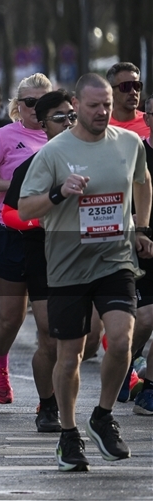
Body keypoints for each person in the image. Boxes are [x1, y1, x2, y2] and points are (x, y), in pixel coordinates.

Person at [18, 73, 151, 472]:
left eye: (107, 104)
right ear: (77, 104)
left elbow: (143, 183)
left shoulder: (129, 143)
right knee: (70, 355)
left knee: (121, 339)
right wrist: (60, 192)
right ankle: (69, 433)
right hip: (67, 267)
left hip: (115, 260)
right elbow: (26, 209)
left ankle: (103, 415)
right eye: (94, 105)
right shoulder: (54, 153)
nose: (102, 112)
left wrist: (141, 228)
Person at [1, 90, 77, 432]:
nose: (68, 122)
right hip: (43, 254)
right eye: (59, 117)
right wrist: (39, 220)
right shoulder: (33, 165)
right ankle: (48, 406)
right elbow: (8, 213)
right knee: (49, 334)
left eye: (71, 115)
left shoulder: (96, 156)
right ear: (43, 124)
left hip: (87, 255)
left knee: (78, 342)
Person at [0, 73, 53, 407]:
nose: (37, 109)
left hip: (50, 236)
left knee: (49, 325)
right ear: (18, 106)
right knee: (11, 317)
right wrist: (13, 189)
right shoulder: (3, 136)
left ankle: (49, 397)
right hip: (9, 233)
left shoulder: (65, 137)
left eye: (45, 102)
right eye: (30, 103)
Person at [132, 93, 153, 416]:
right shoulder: (137, 151)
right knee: (147, 317)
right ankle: (123, 362)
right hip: (142, 243)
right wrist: (139, 230)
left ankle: (149, 386)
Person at [106, 62, 148, 140]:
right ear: (111, 91)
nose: (134, 92)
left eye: (137, 86)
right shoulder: (102, 125)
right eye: (125, 86)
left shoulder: (149, 123)